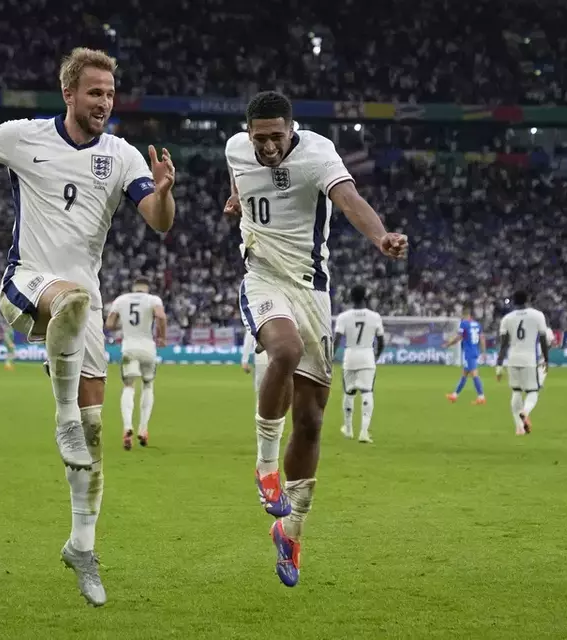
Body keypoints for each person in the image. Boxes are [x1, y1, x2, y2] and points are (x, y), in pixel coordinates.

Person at [0, 47, 176, 607]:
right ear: (68, 94)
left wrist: (163, 194)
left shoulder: (120, 156)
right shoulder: (25, 136)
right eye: (95, 93)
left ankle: (82, 548)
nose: (104, 103)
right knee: (69, 304)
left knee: (92, 443)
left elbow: (158, 224)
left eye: (110, 94)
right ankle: (62, 418)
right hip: (28, 283)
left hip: (84, 306)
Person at [224, 91, 408, 587]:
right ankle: (265, 471)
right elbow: (239, 175)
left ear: (292, 129)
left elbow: (348, 199)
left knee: (310, 421)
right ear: (247, 133)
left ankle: (292, 530)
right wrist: (238, 201)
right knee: (282, 350)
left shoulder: (319, 153)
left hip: (312, 290)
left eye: (275, 138)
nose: (265, 148)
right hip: (262, 277)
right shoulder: (234, 149)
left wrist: (380, 237)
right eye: (258, 138)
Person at [106, 277, 167, 450]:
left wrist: (122, 325)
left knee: (128, 386)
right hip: (148, 348)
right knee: (148, 386)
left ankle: (127, 427)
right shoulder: (153, 300)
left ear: (134, 288)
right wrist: (162, 337)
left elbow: (109, 324)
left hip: (129, 348)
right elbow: (161, 316)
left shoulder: (121, 300)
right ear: (146, 288)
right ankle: (143, 429)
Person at [332, 285, 385, 443]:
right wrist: (375, 356)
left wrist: (329, 358)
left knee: (349, 392)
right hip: (367, 355)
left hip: (350, 356)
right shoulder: (375, 316)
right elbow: (381, 341)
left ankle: (348, 429)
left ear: (351, 297)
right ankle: (363, 432)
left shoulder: (343, 317)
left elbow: (336, 340)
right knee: (367, 392)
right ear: (365, 297)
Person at [496, 291, 550, 435]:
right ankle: (525, 412)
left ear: (513, 301)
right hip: (529, 359)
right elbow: (543, 339)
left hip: (513, 359)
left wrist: (499, 365)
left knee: (516, 391)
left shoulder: (507, 318)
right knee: (533, 391)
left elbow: (503, 345)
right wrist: (546, 359)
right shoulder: (537, 315)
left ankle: (519, 428)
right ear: (528, 299)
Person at [445, 305, 486, 405]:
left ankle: (481, 397)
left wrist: (449, 344)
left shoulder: (464, 323)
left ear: (464, 315)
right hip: (475, 351)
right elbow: (482, 338)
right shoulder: (477, 324)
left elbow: (459, 337)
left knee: (474, 374)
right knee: (464, 374)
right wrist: (483, 352)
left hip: (469, 352)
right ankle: (454, 395)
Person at [242, 330, 269, 411]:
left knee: (261, 391)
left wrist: (244, 360)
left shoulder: (255, 319)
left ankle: (262, 417)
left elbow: (249, 337)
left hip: (263, 357)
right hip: (276, 356)